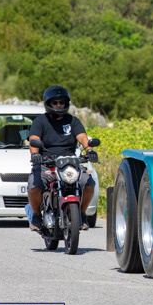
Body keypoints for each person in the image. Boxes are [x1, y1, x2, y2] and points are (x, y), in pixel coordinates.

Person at [27, 86, 97, 232]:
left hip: (70, 163)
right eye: (55, 102)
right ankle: (36, 216)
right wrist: (35, 154)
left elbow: (82, 137)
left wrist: (89, 150)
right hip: (46, 163)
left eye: (62, 102)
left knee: (89, 183)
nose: (59, 105)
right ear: (48, 104)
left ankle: (82, 214)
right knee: (34, 186)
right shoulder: (40, 121)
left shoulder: (72, 121)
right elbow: (34, 139)